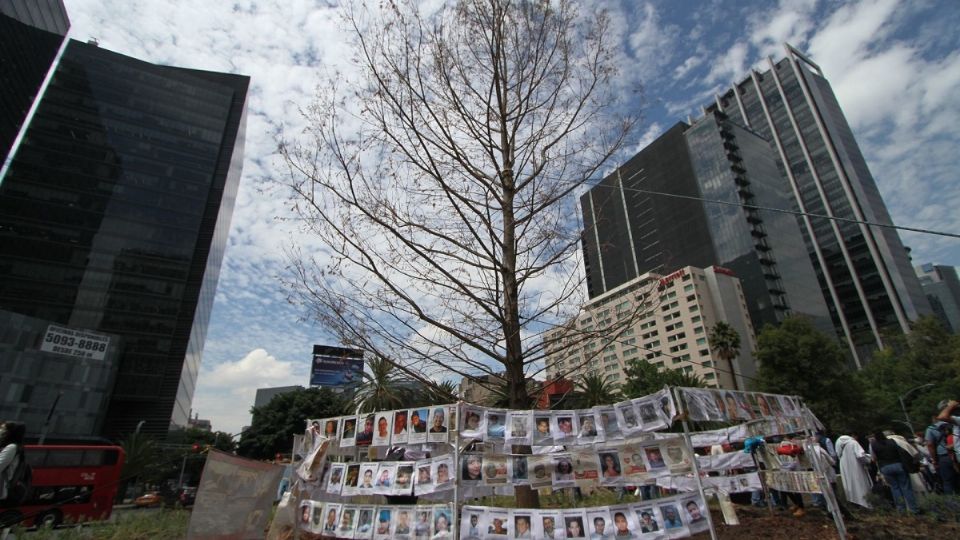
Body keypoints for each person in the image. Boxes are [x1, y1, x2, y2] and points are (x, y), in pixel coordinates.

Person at [871, 430, 919, 514]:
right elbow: (900, 452)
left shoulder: (874, 445)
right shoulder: (892, 441)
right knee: (906, 487)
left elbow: (874, 459)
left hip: (885, 468)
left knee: (895, 488)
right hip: (898, 465)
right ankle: (913, 509)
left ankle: (901, 509)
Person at [927, 399, 959, 494]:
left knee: (948, 482)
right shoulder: (953, 421)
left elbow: (930, 445)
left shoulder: (932, 428)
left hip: (944, 456)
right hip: (955, 454)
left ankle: (952, 505)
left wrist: (935, 460)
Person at [836, 434, 873, 508]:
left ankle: (853, 503)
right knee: (860, 484)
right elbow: (861, 455)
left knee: (850, 484)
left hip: (845, 466)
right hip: (856, 467)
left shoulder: (838, 445)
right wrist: (869, 459)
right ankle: (865, 503)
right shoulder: (853, 443)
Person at [0, 421, 26, 505]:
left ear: (10, 432)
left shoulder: (12, 447)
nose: (0, 430)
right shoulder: (7, 446)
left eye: (3, 428)